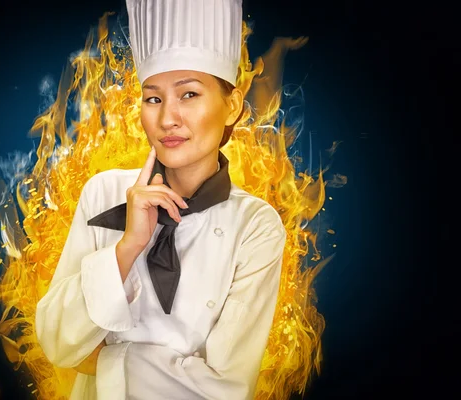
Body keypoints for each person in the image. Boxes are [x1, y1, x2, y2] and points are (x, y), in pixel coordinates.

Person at [35, 0, 288, 398]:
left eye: (188, 94)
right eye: (153, 98)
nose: (168, 118)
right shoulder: (103, 192)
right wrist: (127, 246)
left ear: (232, 106)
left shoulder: (256, 226)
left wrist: (109, 361)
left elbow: (226, 390)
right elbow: (56, 341)